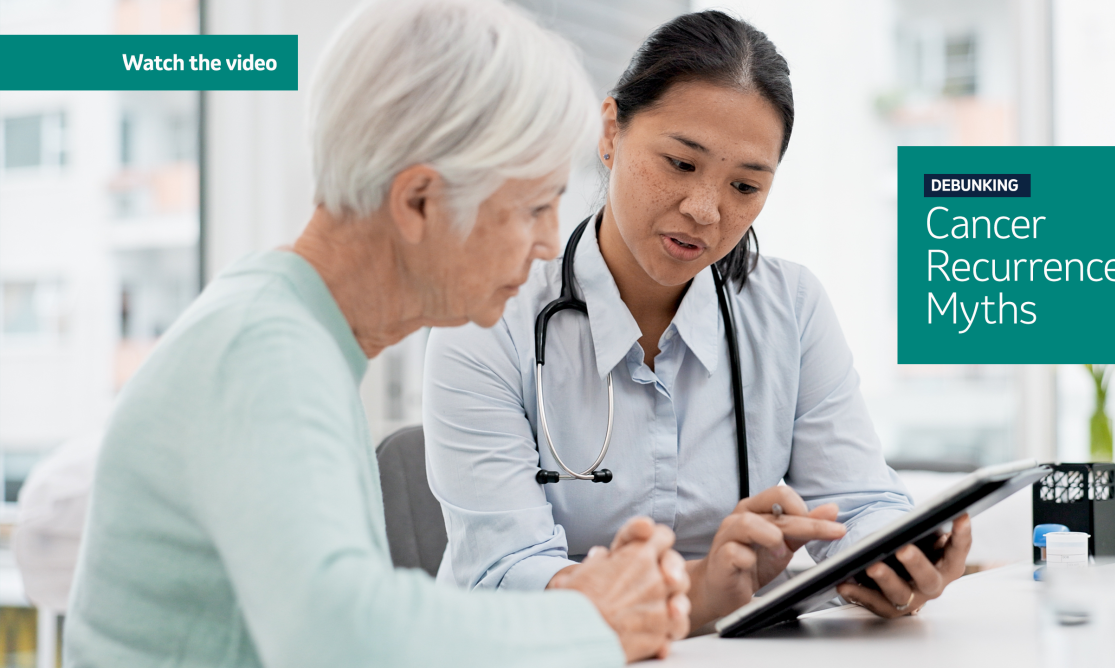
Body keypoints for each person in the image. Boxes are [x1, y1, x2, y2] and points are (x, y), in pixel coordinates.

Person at [64, 1, 690, 666]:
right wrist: (595, 621)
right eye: (533, 207)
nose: (547, 244)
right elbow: (341, 635)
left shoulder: (281, 329)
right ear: (419, 202)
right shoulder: (264, 353)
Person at [423, 9, 972, 631]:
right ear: (611, 133)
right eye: (681, 165)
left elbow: (861, 503)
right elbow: (503, 576)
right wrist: (701, 590)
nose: (706, 211)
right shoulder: (489, 318)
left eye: (745, 187)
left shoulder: (789, 306)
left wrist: (890, 557)